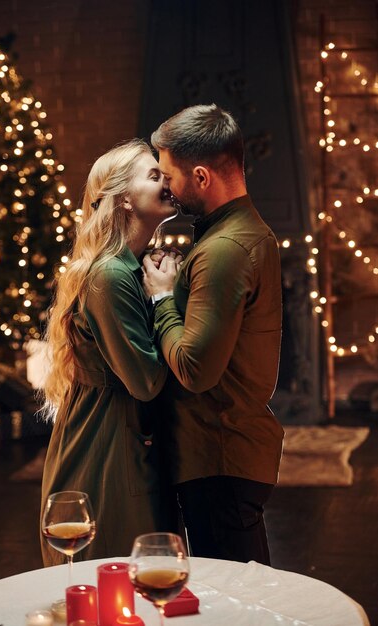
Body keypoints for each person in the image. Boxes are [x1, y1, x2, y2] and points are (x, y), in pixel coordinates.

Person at [143, 104, 284, 565]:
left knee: (236, 607)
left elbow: (195, 368)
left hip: (218, 456)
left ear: (201, 177)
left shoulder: (224, 249)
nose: (165, 187)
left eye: (169, 176)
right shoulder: (237, 234)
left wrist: (163, 297)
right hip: (224, 455)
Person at [40, 139, 179, 565]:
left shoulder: (129, 265)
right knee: (119, 578)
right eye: (154, 175)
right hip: (106, 449)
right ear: (122, 199)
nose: (166, 180)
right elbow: (146, 381)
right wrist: (164, 299)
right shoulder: (111, 275)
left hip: (116, 436)